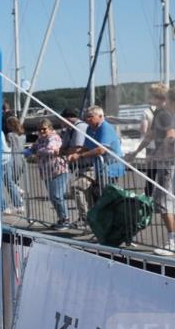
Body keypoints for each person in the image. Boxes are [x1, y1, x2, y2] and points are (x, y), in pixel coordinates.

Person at [129, 85, 175, 255]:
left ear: (158, 97)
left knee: (163, 203)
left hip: (168, 163)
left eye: (151, 95)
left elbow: (170, 136)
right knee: (165, 202)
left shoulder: (164, 114)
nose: (149, 98)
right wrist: (135, 152)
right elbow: (150, 136)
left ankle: (172, 242)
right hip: (166, 162)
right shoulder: (159, 113)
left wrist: (158, 155)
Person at [67, 106, 126, 223]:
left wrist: (81, 156)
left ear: (100, 116)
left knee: (106, 196)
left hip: (111, 167)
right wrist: (75, 153)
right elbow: (87, 146)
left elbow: (101, 150)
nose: (87, 119)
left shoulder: (106, 128)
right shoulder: (90, 128)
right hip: (100, 167)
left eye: (90, 117)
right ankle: (95, 220)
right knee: (95, 194)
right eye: (86, 117)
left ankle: (111, 222)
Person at [30, 118, 70, 228]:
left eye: (44, 129)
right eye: (39, 130)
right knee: (52, 197)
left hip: (59, 170)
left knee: (57, 196)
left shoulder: (54, 137)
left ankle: (66, 219)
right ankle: (61, 219)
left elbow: (50, 149)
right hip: (47, 172)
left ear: (50, 128)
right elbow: (32, 148)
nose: (41, 131)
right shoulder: (40, 139)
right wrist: (29, 152)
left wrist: (38, 152)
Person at [2, 117, 26, 214]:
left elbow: (8, 147)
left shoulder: (10, 135)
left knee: (9, 181)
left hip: (12, 159)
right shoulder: (23, 136)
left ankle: (18, 192)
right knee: (13, 180)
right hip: (21, 159)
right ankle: (18, 201)